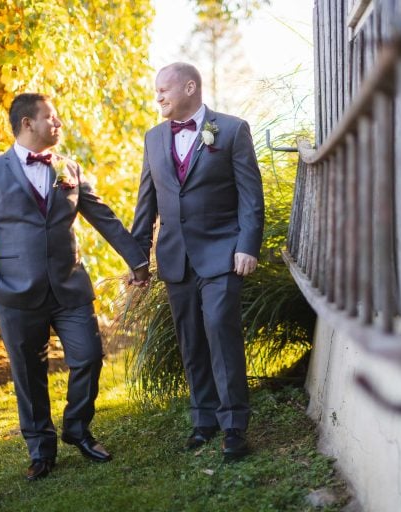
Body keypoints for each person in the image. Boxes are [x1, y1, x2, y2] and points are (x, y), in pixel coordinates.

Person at [0, 92, 150, 481]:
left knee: (89, 356)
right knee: (28, 375)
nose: (59, 123)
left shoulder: (70, 168)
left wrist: (137, 259)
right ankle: (40, 450)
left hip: (70, 287)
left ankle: (78, 428)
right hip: (15, 292)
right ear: (27, 123)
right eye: (51, 117)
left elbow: (104, 217)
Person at [131, 62, 265, 460]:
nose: (158, 97)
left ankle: (234, 427)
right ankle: (203, 420)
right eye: (155, 91)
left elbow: (250, 196)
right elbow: (146, 204)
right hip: (175, 257)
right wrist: (139, 259)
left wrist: (248, 245)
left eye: (164, 90)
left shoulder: (233, 129)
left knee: (221, 333)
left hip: (223, 253)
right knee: (191, 341)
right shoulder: (153, 139)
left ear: (190, 87)